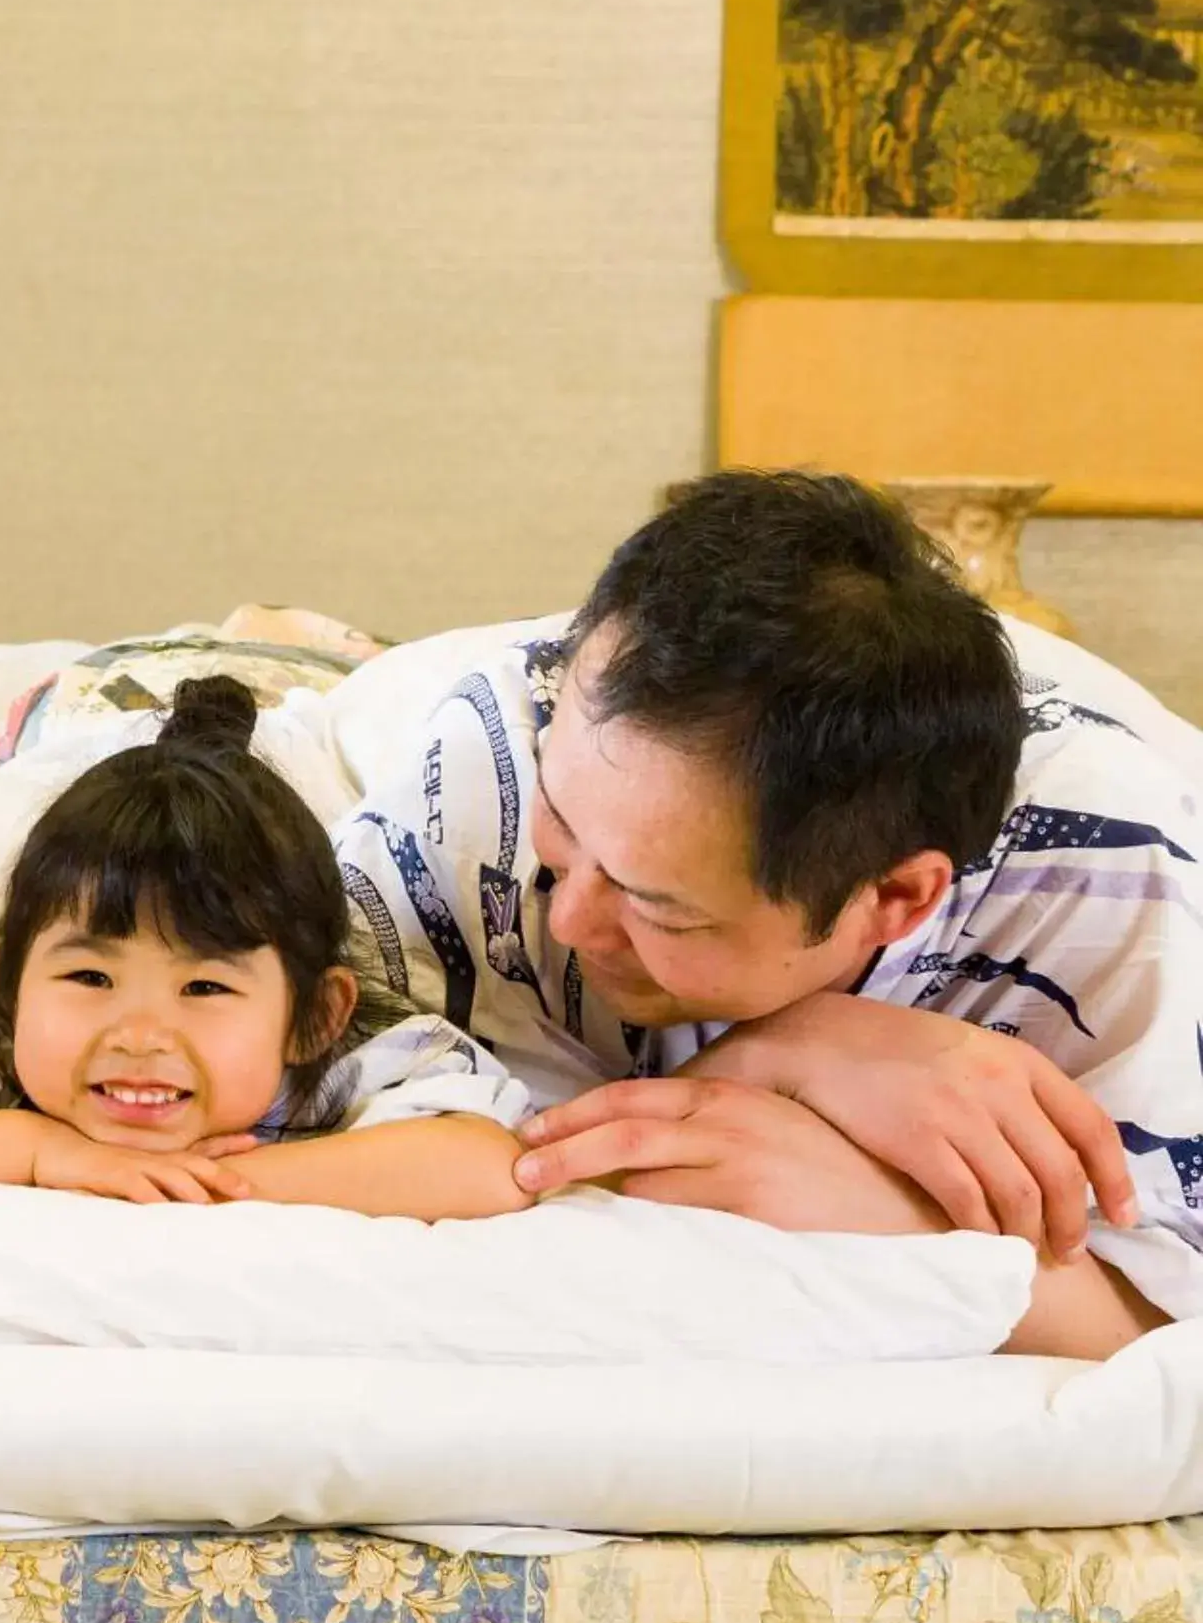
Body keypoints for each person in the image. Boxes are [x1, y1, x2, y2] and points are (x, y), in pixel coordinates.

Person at [335, 468, 1203, 1358]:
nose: (572, 922)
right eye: (564, 838)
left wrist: (886, 1217)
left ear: (897, 900)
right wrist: (779, 1057)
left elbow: (1162, 1322)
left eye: (656, 908)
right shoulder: (497, 775)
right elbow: (428, 1139)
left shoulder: (1115, 886)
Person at [0, 677, 531, 1222]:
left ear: (316, 1016)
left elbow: (491, 1163)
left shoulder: (331, 1071)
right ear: (8, 985)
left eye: (203, 989)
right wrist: (38, 1152)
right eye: (90, 975)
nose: (138, 1035)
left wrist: (215, 1179)